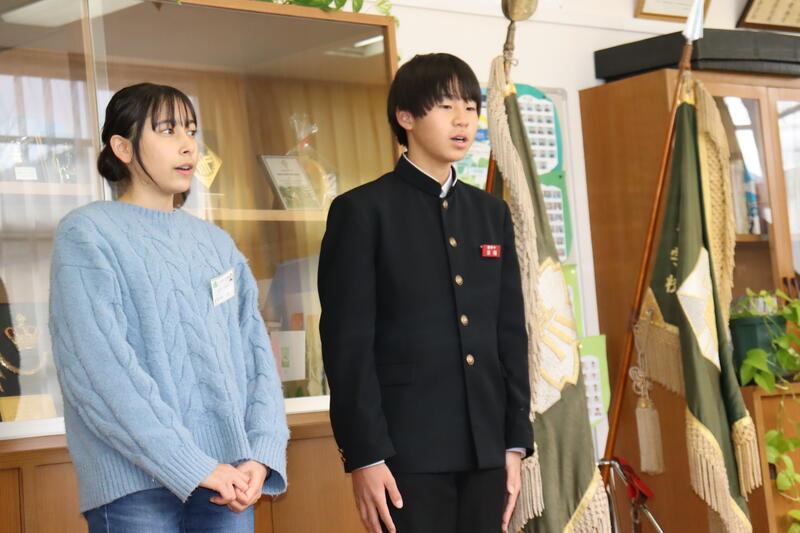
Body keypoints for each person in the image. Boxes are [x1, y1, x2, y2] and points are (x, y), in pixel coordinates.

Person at [49, 83, 288, 532]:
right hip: (135, 487)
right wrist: (192, 464)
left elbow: (256, 358)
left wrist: (261, 452)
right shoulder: (87, 233)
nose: (187, 145)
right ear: (122, 147)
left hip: (230, 479)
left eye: (191, 131)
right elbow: (98, 370)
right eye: (166, 130)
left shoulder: (216, 243)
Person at [318, 53, 532, 533]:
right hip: (403, 454)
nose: (463, 120)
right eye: (446, 106)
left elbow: (509, 334)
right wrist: (365, 455)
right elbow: (347, 346)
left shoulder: (490, 212)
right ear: (406, 117)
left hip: (487, 449)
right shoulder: (362, 211)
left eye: (471, 107)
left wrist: (514, 443)